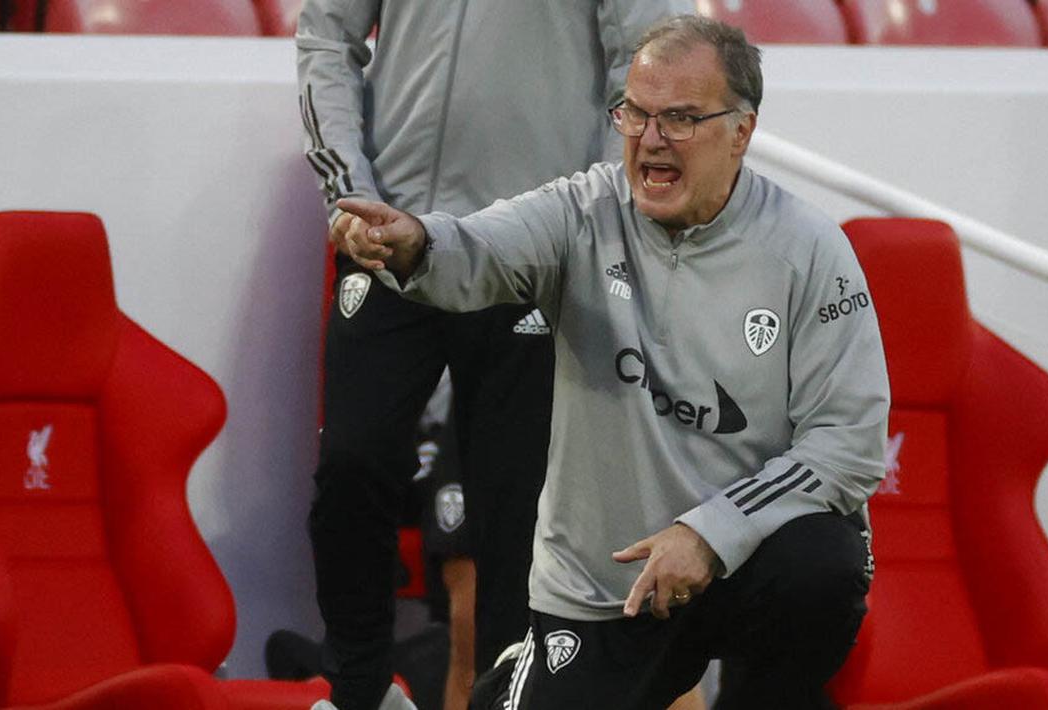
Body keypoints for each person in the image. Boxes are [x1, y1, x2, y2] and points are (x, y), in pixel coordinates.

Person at [337, 15, 889, 710]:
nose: (650, 140)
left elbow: (849, 445)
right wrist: (413, 242)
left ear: (741, 132)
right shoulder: (580, 211)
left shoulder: (809, 251)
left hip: (739, 564)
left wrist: (708, 535)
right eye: (635, 113)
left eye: (680, 119)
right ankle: (512, 683)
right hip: (604, 589)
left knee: (823, 565)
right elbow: (472, 252)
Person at [292, 2, 691, 709]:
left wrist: (588, 227)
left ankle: (504, 700)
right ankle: (358, 690)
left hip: (528, 247)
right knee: (351, 464)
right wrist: (347, 194)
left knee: (515, 520)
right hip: (390, 232)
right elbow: (328, 33)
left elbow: (654, 63)